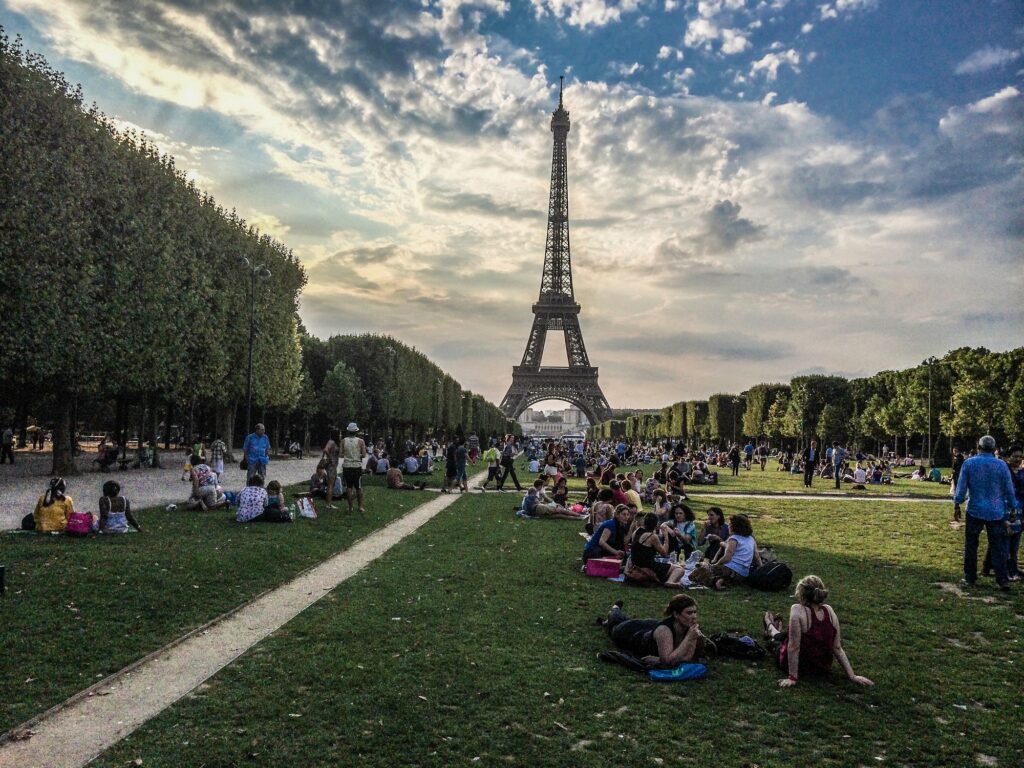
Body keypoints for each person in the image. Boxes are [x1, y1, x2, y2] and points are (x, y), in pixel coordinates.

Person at [763, 575, 873, 688]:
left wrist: (792, 677)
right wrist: (852, 675)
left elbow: (793, 647)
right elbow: (837, 648)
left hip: (800, 665)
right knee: (789, 635)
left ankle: (770, 626)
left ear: (801, 593)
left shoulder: (797, 610)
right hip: (821, 668)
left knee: (776, 643)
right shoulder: (829, 611)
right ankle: (774, 629)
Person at [953, 435, 1020, 591]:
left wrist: (957, 504)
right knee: (998, 547)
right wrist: (1012, 508)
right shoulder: (1002, 466)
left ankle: (970, 577)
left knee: (971, 545)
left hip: (975, 509)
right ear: (994, 448)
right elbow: (1009, 490)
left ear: (979, 447)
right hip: (996, 511)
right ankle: (1001, 579)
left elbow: (961, 487)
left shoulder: (969, 463)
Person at [601, 594, 708, 667]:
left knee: (633, 621)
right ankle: (614, 610)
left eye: (695, 612)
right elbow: (668, 661)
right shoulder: (665, 630)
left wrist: (659, 659)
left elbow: (688, 657)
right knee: (616, 626)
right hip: (631, 635)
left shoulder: (690, 628)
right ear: (676, 614)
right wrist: (689, 638)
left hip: (650, 628)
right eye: (689, 613)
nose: (694, 616)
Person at [982, 443, 1023, 582]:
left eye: (1020, 457)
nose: (1018, 459)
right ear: (1008, 457)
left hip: (1019, 510)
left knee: (1015, 541)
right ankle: (991, 567)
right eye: (1015, 456)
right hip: (1003, 508)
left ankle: (1012, 569)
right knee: (1000, 539)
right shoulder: (1002, 470)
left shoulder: (1022, 473)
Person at [626, 513, 686, 586]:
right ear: (656, 525)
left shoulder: (636, 532)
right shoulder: (652, 536)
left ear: (644, 522)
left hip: (635, 565)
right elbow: (664, 553)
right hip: (648, 567)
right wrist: (666, 536)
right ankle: (670, 581)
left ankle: (669, 580)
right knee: (679, 569)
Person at [706, 513, 761, 589]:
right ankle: (723, 581)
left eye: (729, 525)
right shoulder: (751, 539)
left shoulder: (733, 539)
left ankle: (718, 580)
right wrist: (761, 567)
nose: (728, 526)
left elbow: (727, 558)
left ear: (733, 527)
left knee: (706, 569)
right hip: (744, 574)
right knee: (731, 576)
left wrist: (716, 565)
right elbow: (756, 556)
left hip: (730, 568)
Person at [341, 422, 368, 513]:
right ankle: (360, 507)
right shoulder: (361, 441)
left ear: (348, 431)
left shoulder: (343, 441)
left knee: (349, 487)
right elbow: (364, 455)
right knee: (358, 487)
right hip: (357, 466)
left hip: (347, 466)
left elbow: (341, 455)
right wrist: (357, 454)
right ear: (356, 431)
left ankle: (350, 507)